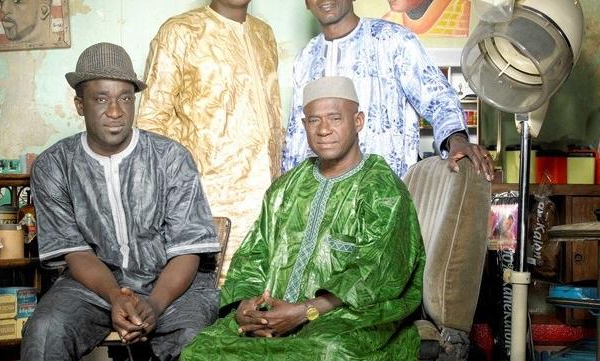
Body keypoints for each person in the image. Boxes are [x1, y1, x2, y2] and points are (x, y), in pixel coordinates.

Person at [180, 76, 425, 360]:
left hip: (348, 319)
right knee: (200, 351)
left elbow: (377, 273)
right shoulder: (285, 188)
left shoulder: (382, 189)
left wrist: (305, 311)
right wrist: (245, 307)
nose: (323, 130)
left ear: (358, 121)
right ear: (304, 125)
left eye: (335, 118)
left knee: (325, 352)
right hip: (271, 316)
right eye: (313, 120)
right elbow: (254, 256)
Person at [21, 42, 220, 361]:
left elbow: (188, 251)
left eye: (125, 98)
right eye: (101, 98)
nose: (115, 111)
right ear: (79, 104)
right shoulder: (54, 166)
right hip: (91, 287)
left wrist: (154, 305)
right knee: (45, 331)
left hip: (170, 283)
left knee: (197, 338)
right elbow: (76, 253)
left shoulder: (170, 158)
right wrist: (115, 295)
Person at [136, 0, 282, 282]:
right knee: (212, 297)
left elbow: (273, 114)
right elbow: (151, 124)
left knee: (261, 297)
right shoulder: (179, 32)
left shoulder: (264, 34)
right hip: (207, 199)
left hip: (268, 198)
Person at [283, 0, 493, 181]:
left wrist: (457, 141)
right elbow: (297, 137)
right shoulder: (306, 58)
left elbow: (438, 99)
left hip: (387, 201)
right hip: (325, 204)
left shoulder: (394, 41)